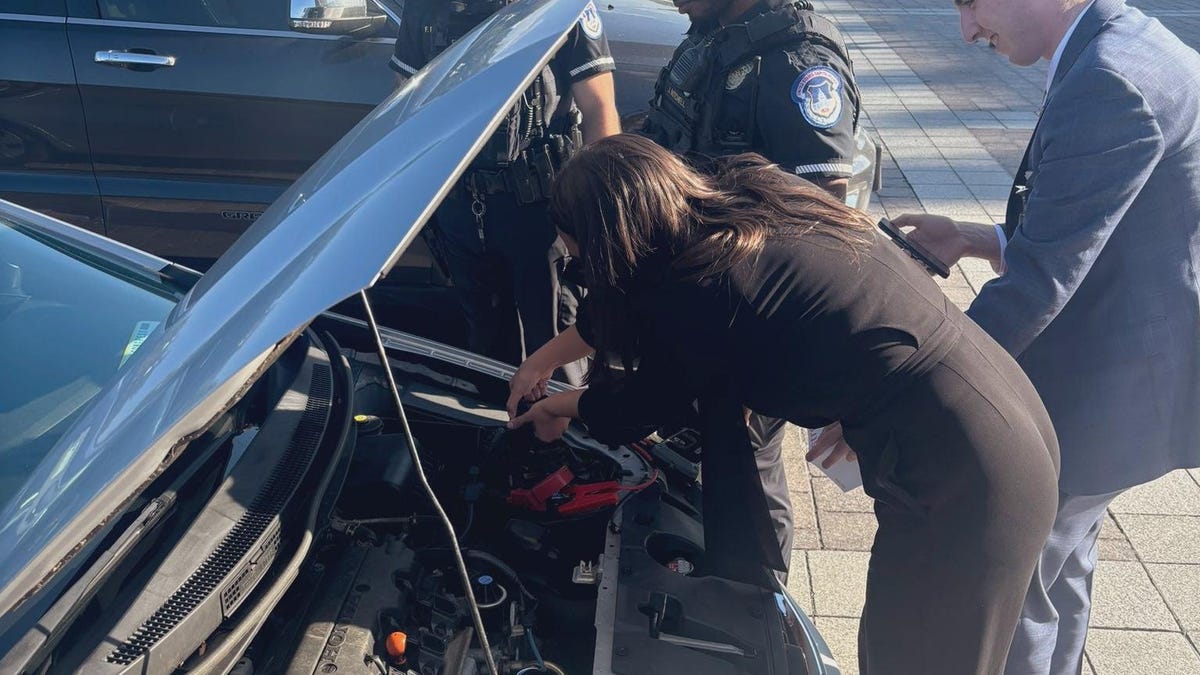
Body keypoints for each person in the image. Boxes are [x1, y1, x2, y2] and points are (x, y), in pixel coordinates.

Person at [507, 134, 1060, 674]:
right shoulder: (743, 197)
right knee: (910, 644)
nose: (577, 265)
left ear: (610, 243)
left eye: (578, 254)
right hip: (995, 403)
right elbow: (628, 309)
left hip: (969, 470)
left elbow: (635, 408)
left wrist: (555, 407)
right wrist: (543, 361)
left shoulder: (704, 288)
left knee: (914, 657)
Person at [895, 1, 1200, 673]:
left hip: (1102, 391)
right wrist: (979, 238)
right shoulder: (1127, 44)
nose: (966, 30)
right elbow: (1101, 225)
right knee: (1062, 568)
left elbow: (1037, 286)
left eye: (971, 2)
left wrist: (908, 392)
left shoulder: (1109, 79)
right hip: (1126, 378)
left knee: (1018, 592)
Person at [639, 0, 865, 567]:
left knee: (749, 465)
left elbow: (824, 214)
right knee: (708, 455)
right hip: (704, 297)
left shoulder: (798, 58)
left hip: (754, 313)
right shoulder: (716, 33)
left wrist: (766, 346)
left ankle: (764, 609)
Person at [391, 0, 620, 380]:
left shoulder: (562, 7)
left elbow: (600, 112)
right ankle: (496, 427)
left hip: (539, 211)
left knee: (553, 348)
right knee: (484, 348)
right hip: (460, 206)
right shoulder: (426, 8)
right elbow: (406, 106)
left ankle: (557, 436)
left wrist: (596, 212)